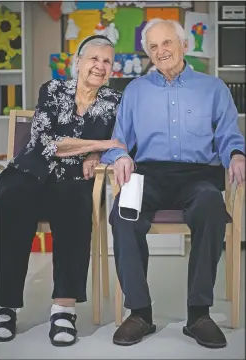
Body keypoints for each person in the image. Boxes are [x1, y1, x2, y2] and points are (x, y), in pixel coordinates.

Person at [101, 19, 245, 349]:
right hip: (148, 174)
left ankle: (198, 314)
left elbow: (228, 136)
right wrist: (119, 156)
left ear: (183, 45)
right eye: (153, 46)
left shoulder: (213, 88)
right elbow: (118, 141)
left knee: (211, 207)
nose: (161, 51)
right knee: (123, 214)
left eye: (167, 43)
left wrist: (237, 154)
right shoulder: (135, 90)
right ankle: (139, 313)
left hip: (198, 176)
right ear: (147, 53)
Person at [0, 35, 124, 347]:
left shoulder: (114, 102)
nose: (100, 66)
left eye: (107, 61)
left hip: (71, 179)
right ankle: (4, 305)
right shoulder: (52, 90)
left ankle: (63, 309)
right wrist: (98, 144)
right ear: (78, 62)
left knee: (76, 206)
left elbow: (122, 141)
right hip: (30, 170)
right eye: (94, 58)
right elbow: (46, 143)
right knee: (11, 199)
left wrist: (97, 155)